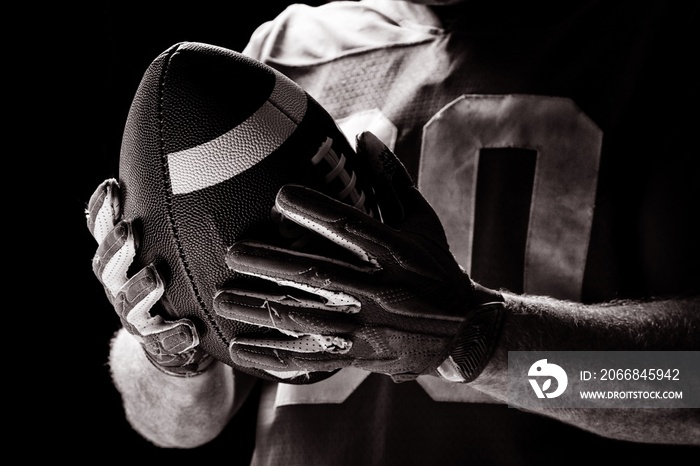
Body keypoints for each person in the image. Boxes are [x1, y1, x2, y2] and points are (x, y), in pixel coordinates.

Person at [87, 0, 699, 463]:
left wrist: (485, 337)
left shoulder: (653, 44)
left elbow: (689, 383)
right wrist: (169, 352)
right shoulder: (280, 53)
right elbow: (181, 427)